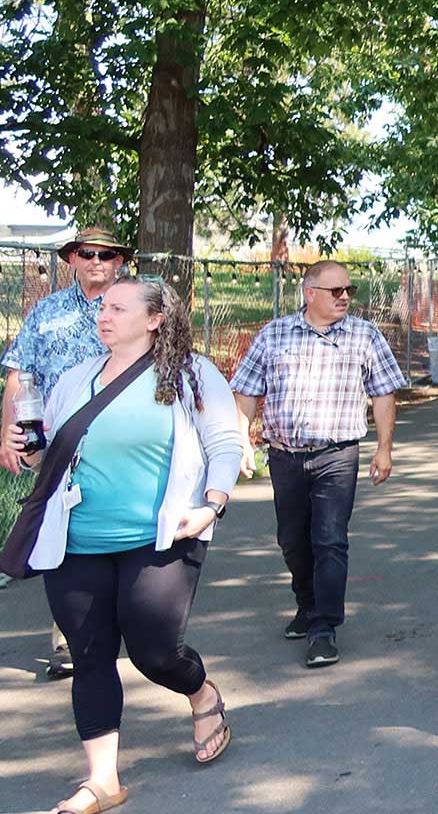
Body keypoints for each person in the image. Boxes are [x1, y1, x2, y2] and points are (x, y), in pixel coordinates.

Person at [6, 276, 245, 814]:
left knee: (154, 651)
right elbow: (55, 450)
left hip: (161, 536)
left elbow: (224, 442)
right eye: (103, 307)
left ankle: (201, 693)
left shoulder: (191, 374)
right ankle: (102, 780)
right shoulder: (75, 378)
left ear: (155, 318)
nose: (104, 315)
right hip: (77, 541)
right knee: (89, 655)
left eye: (118, 307)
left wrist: (212, 503)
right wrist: (30, 450)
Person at [230, 259, 405, 668]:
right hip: (285, 455)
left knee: (330, 539)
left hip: (337, 454)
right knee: (292, 540)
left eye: (349, 290)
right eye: (336, 291)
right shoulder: (274, 335)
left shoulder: (364, 335)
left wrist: (384, 448)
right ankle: (307, 605)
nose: (345, 297)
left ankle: (324, 628)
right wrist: (242, 442)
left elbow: (383, 394)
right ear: (310, 294)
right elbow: (246, 394)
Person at [1, 226, 132, 684]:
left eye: (106, 254)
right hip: (60, 446)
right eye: (86, 253)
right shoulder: (47, 312)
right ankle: (71, 639)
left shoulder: (134, 306)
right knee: (64, 537)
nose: (96, 261)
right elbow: (20, 374)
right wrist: (7, 434)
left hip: (124, 443)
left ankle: (130, 622)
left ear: (119, 261)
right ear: (71, 259)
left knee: (117, 532)